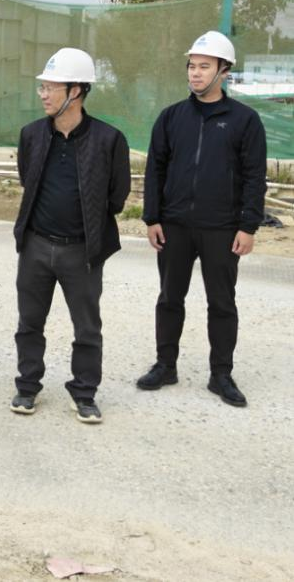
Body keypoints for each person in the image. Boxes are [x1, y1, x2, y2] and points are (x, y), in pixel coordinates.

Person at [137, 30, 267, 407]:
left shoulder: (245, 120)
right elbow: (155, 169)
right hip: (174, 225)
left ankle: (221, 374)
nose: (195, 73)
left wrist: (248, 226)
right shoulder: (171, 117)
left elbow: (254, 176)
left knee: (222, 303)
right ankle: (165, 366)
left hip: (222, 229)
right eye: (192, 66)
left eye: (204, 66)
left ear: (224, 71)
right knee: (169, 298)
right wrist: (152, 217)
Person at [10, 48, 131, 424]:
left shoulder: (109, 140)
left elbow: (117, 197)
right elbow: (27, 179)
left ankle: (84, 393)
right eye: (42, 87)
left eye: (51, 87)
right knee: (29, 323)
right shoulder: (31, 135)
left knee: (87, 328)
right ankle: (27, 386)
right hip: (36, 246)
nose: (43, 94)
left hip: (83, 251)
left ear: (76, 91)